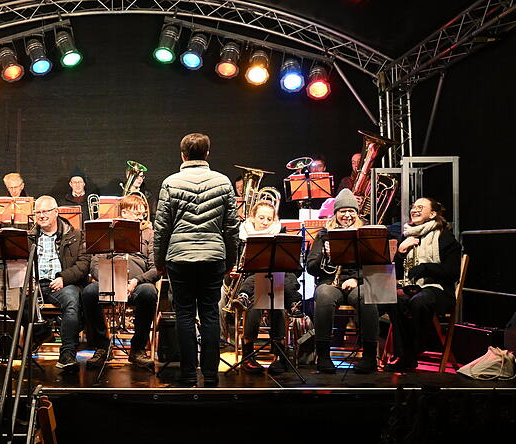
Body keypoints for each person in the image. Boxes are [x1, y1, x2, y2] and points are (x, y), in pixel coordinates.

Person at [154, 133, 238, 386]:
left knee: (184, 315)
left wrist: (159, 261)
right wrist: (230, 261)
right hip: (213, 256)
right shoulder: (223, 182)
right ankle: (211, 375)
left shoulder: (170, 183)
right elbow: (231, 228)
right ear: (207, 154)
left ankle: (189, 374)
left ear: (183, 155)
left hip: (180, 257)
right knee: (210, 314)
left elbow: (161, 228)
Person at [306, 188, 379, 374]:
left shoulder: (365, 233)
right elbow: (311, 267)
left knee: (367, 297)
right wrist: (325, 256)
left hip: (358, 282)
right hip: (331, 281)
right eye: (342, 211)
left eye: (351, 211)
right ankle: (323, 355)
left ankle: (369, 356)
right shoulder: (324, 234)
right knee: (323, 295)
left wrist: (356, 279)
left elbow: (375, 264)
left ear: (357, 213)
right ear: (336, 214)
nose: (347, 215)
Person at [81, 195, 159, 369]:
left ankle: (138, 349)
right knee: (89, 292)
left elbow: (156, 268)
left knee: (149, 292)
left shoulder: (149, 234)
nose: (141, 218)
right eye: (136, 214)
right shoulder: (107, 232)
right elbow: (94, 264)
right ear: (124, 213)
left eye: (143, 214)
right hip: (109, 281)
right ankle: (102, 346)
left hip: (137, 284)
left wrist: (136, 280)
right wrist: (109, 280)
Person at [384, 197, 461, 372]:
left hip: (439, 290)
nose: (415, 210)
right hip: (411, 288)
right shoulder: (407, 235)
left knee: (420, 300)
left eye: (420, 207)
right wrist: (401, 251)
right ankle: (405, 355)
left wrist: (426, 268)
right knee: (392, 298)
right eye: (413, 207)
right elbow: (396, 272)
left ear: (432, 214)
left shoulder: (444, 236)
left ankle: (411, 351)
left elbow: (452, 272)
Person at [235, 200, 303, 374]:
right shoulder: (241, 236)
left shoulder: (282, 236)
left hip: (278, 282)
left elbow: (296, 268)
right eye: (261, 218)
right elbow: (237, 267)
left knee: (274, 294)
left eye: (269, 219)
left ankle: (271, 355)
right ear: (252, 218)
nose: (265, 222)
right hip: (252, 281)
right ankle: (258, 355)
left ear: (275, 220)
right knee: (262, 298)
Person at [30, 196, 90, 370]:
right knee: (12, 299)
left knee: (72, 300)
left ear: (56, 212)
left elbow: (84, 264)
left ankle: (67, 353)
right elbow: (19, 262)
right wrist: (26, 281)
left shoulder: (76, 235)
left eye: (45, 211)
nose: (41, 215)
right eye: (38, 212)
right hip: (34, 285)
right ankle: (42, 332)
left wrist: (64, 278)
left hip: (61, 284)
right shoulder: (29, 236)